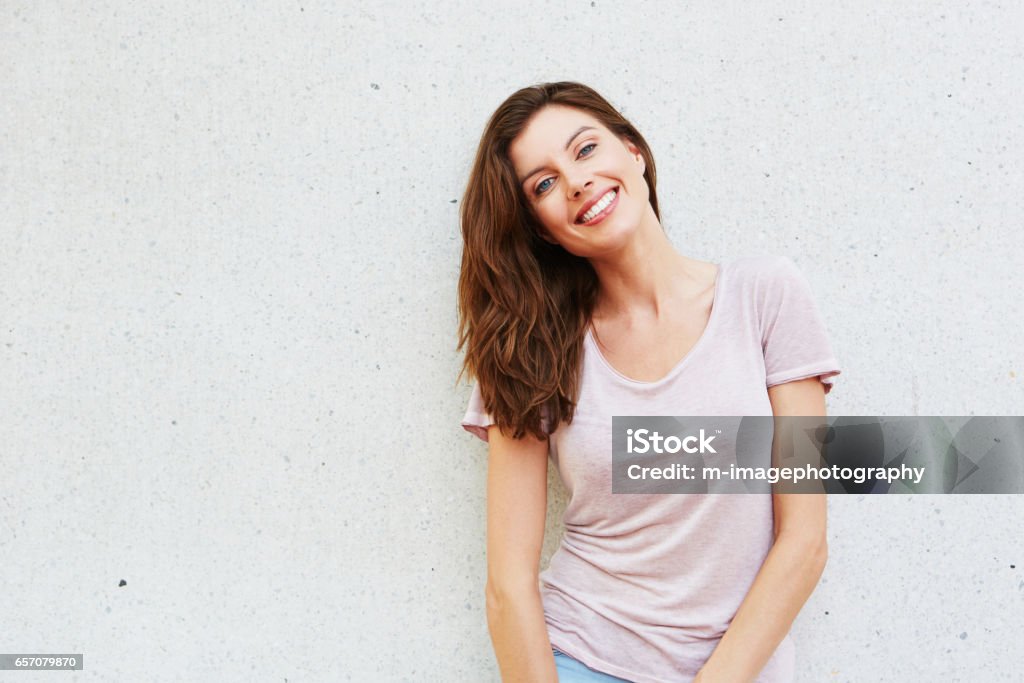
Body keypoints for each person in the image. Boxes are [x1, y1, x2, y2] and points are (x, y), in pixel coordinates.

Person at [455, 81, 841, 683]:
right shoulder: (533, 348)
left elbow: (805, 542)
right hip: (581, 656)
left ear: (632, 151)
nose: (576, 181)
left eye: (585, 150)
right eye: (544, 184)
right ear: (543, 229)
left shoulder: (766, 298)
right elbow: (507, 583)